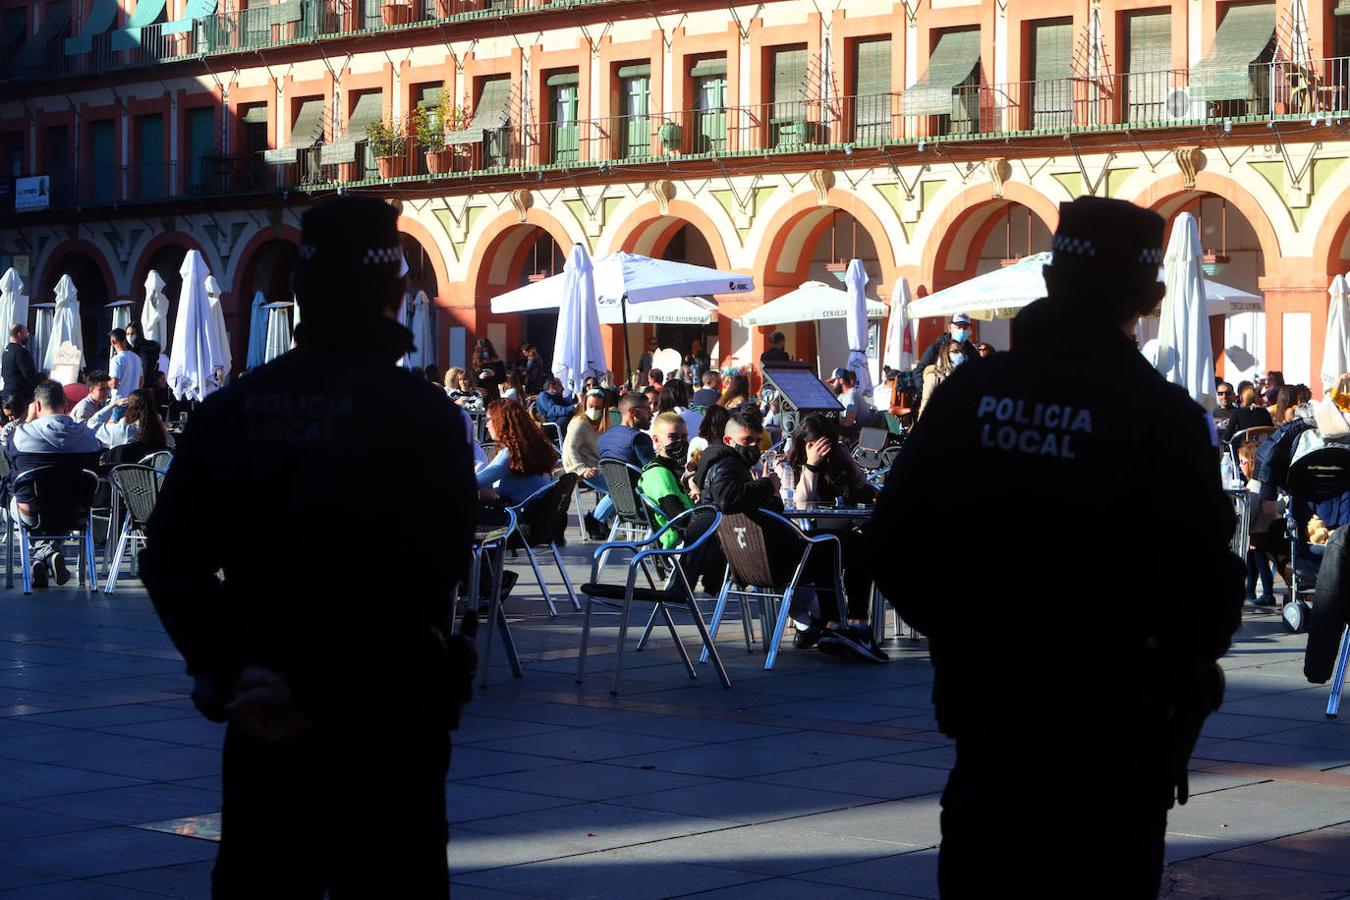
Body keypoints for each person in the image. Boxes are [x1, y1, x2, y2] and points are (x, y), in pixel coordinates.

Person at [870, 196, 1243, 897]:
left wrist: (964, 638)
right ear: (1151, 297)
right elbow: (1206, 597)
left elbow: (891, 542)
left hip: (991, 724)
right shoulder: (1162, 418)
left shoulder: (968, 395)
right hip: (1113, 743)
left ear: (1049, 281)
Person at [139, 196, 478, 898]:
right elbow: (430, 574)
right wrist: (316, 688)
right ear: (397, 292)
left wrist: (240, 675)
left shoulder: (230, 410)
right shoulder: (422, 417)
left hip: (262, 723)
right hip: (383, 721)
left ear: (299, 294)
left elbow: (169, 558)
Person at [5, 378, 103, 588]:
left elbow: (9, 456)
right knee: (61, 506)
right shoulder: (87, 437)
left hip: (32, 512)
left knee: (15, 503)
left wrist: (25, 420)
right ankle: (49, 555)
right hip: (75, 512)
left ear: (37, 405)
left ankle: (44, 554)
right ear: (67, 405)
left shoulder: (21, 436)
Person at [476, 398, 557, 505]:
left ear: (501, 421)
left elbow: (475, 482)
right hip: (538, 509)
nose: (486, 425)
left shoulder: (510, 454)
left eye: (488, 419)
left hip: (516, 513)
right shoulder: (533, 446)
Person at [563, 389, 616, 540]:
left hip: (603, 467)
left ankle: (598, 520)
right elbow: (569, 450)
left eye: (598, 407)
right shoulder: (578, 423)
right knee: (618, 491)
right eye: (591, 406)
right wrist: (581, 469)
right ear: (585, 404)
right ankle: (595, 520)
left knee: (624, 486)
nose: (593, 410)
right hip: (586, 470)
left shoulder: (606, 422)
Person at [639, 412, 694, 548]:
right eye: (672, 437)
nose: (680, 442)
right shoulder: (659, 474)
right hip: (679, 546)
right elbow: (680, 518)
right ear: (656, 440)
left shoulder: (667, 468)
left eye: (684, 437)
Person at [87, 389, 172, 451]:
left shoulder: (123, 429)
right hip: (150, 472)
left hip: (121, 472)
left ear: (130, 408)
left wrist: (113, 405)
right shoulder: (159, 429)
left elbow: (92, 423)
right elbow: (170, 447)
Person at [598, 392, 654, 469]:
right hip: (637, 480)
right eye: (648, 410)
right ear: (633, 412)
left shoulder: (604, 437)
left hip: (609, 481)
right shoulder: (639, 438)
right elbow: (654, 470)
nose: (652, 414)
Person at [918, 341, 964, 419]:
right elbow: (925, 405)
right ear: (946, 354)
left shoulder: (962, 377)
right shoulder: (934, 377)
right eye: (955, 351)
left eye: (961, 351)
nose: (960, 354)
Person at [1, 324, 37, 414]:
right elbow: (29, 376)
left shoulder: (6, 351)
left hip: (7, 395)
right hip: (20, 398)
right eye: (26, 333)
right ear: (20, 334)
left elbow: (3, 373)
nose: (27, 336)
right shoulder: (21, 352)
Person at [829, 368, 873, 436]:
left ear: (841, 380)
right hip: (855, 432)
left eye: (833, 381)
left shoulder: (852, 395)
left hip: (861, 435)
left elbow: (848, 422)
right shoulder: (842, 396)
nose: (832, 384)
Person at [108, 328, 143, 402]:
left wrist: (105, 383)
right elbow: (141, 381)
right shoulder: (137, 358)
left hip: (119, 401)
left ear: (112, 341)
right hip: (133, 400)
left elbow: (114, 384)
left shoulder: (116, 359)